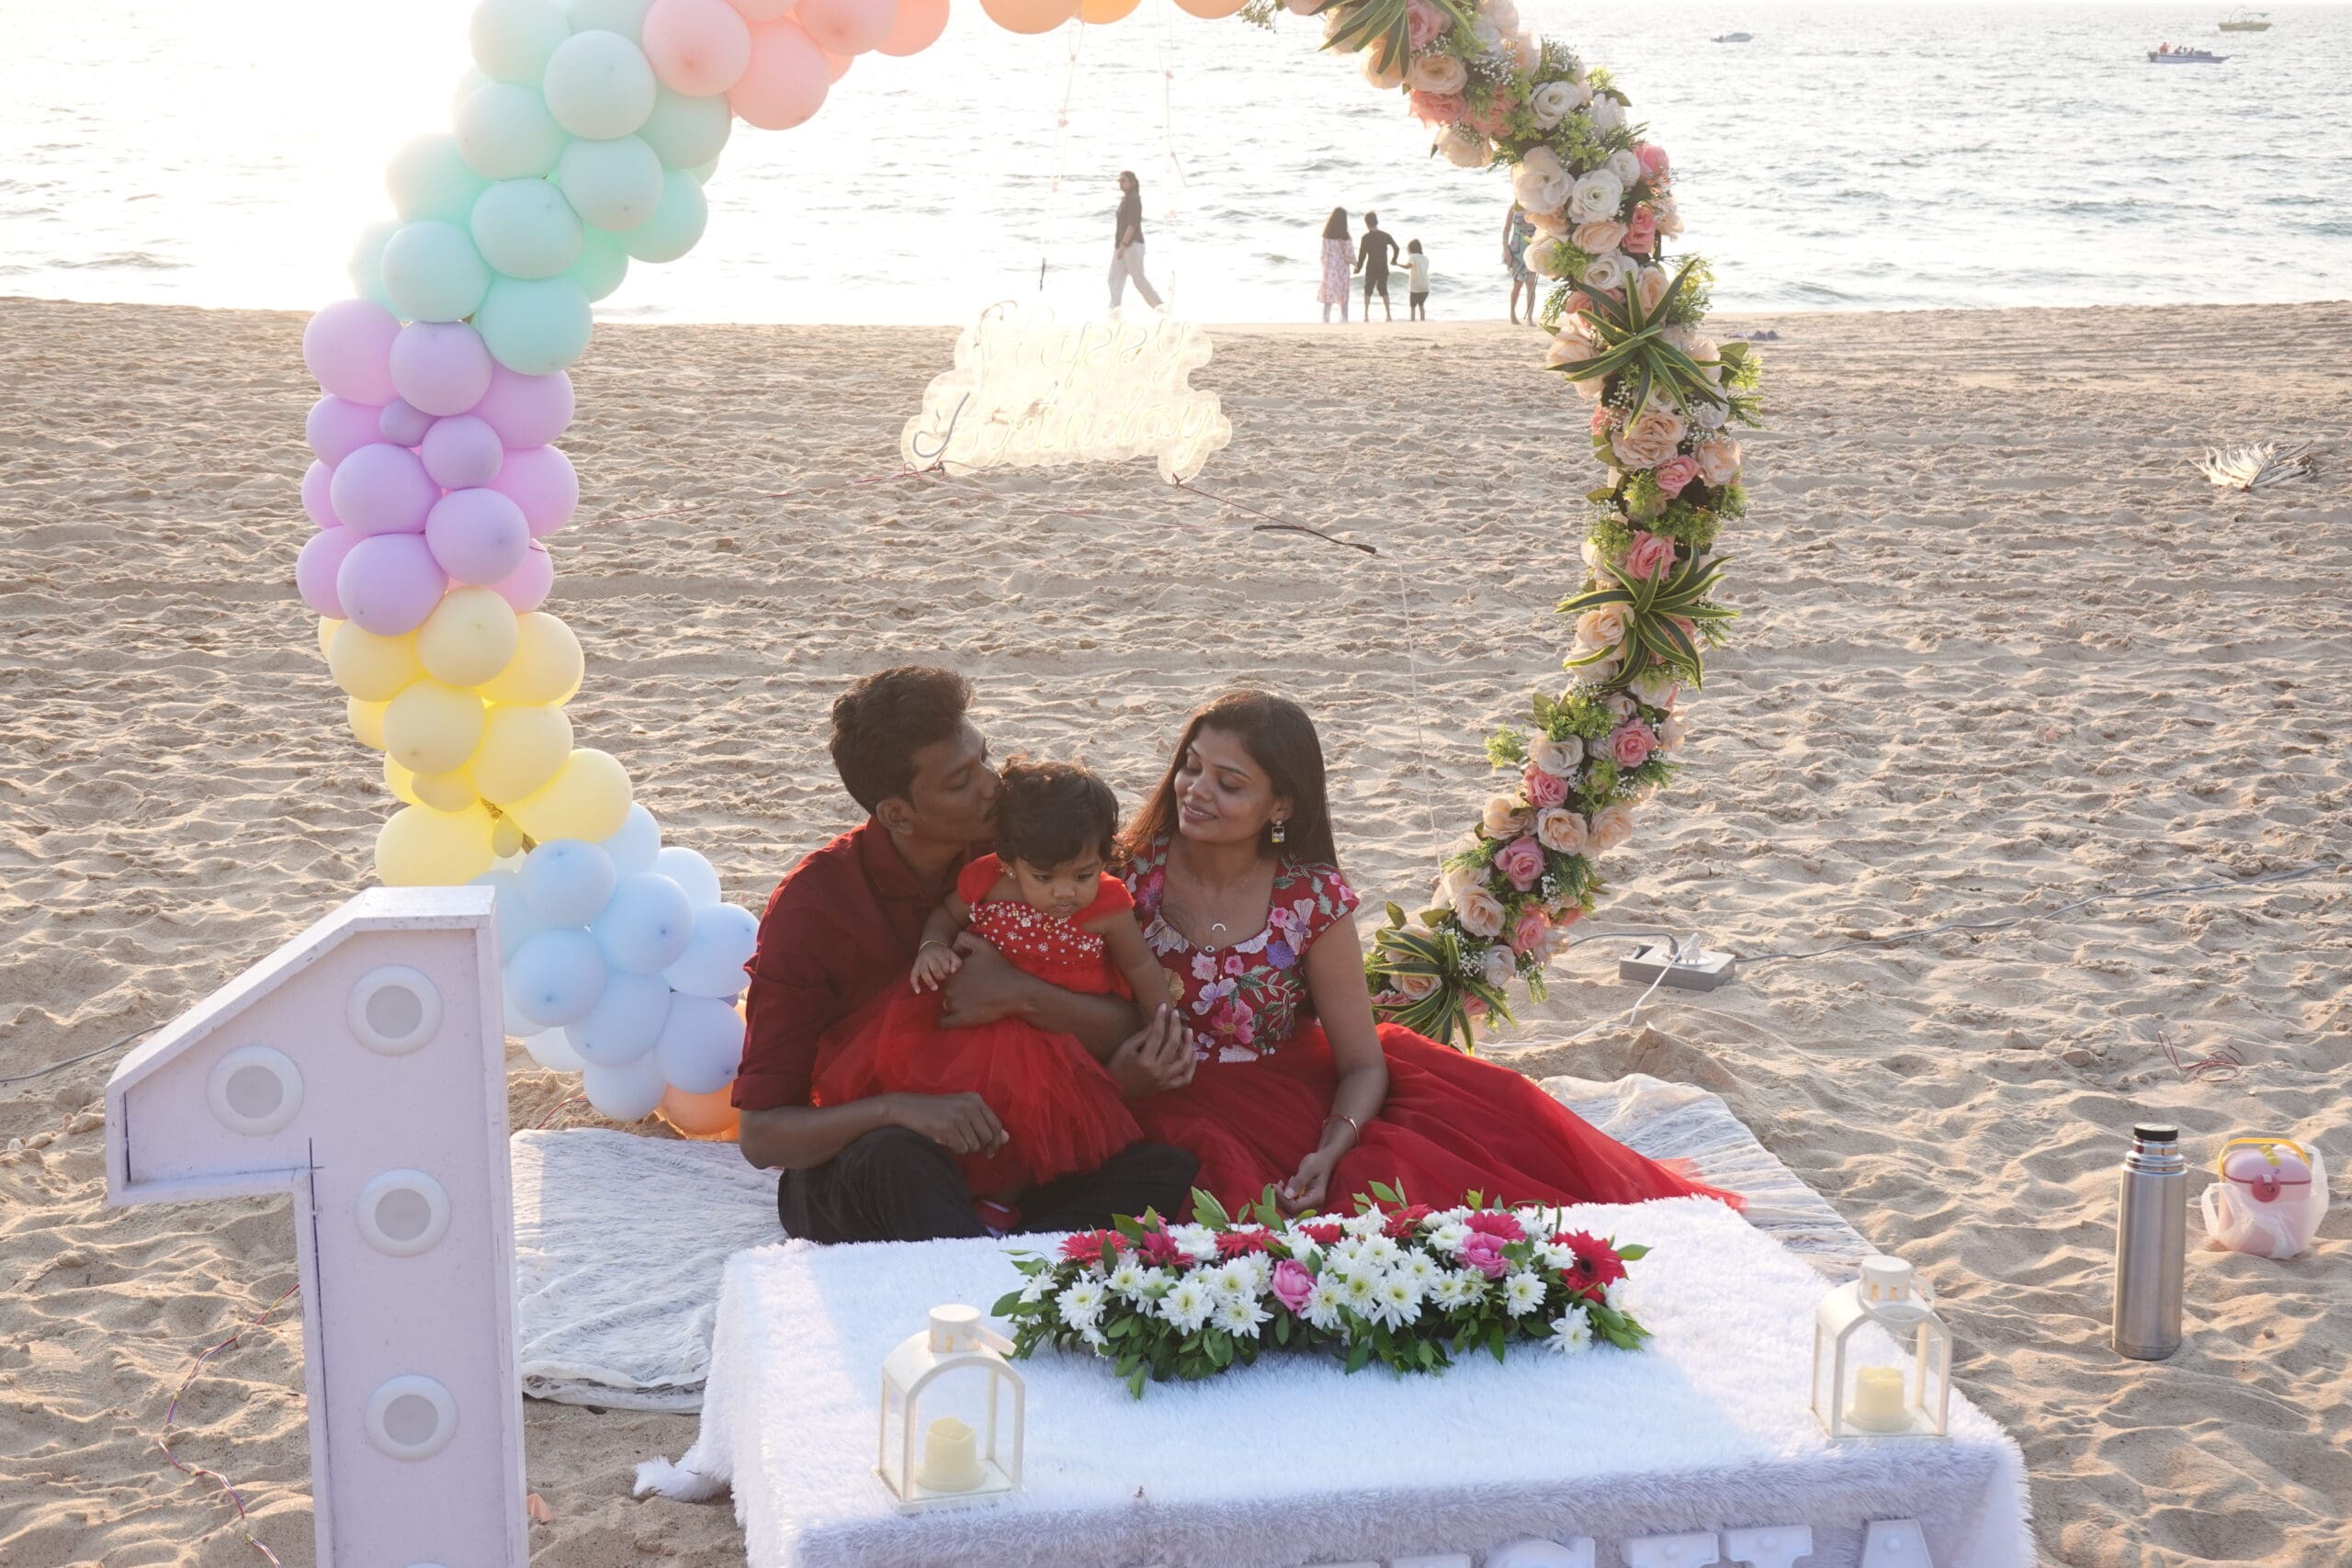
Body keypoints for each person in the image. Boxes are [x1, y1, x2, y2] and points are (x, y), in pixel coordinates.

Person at [1118, 690, 1741, 1216]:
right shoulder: (1129, 872)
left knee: (1447, 1174)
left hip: (1284, 1099)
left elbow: (1362, 1064)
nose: (1195, 791)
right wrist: (1119, 1078)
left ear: (1280, 805)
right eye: (1191, 767)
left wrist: (1332, 1149)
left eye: (1229, 783)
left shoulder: (1309, 898)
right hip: (1141, 1094)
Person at [733, 667, 1198, 1243]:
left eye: (985, 757)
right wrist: (901, 1109)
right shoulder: (813, 907)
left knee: (1164, 1172)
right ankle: (990, 1268)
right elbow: (763, 1137)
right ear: (896, 814)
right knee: (897, 1161)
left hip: (1019, 1147)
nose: (990, 786)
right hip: (879, 1160)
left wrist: (1020, 996)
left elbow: (1124, 1021)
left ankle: (990, 1254)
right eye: (960, 781)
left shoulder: (1026, 850)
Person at [813, 758, 1162, 1202]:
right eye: (1043, 877)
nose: (1064, 892)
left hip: (1062, 1035)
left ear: (1103, 858)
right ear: (1011, 863)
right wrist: (932, 948)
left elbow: (1139, 966)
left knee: (1039, 1121)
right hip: (978, 1028)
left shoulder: (1109, 903)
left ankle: (1009, 1202)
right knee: (971, 1101)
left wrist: (1161, 1021)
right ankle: (969, 1192)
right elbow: (945, 915)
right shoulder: (988, 880)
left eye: (1083, 875)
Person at [1108, 170, 1163, 310]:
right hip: (1121, 246)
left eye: (1124, 181)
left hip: (1132, 245)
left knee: (1139, 280)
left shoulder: (1134, 198)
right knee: (1114, 279)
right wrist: (1120, 246)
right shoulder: (1125, 199)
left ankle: (1160, 307)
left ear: (1132, 183)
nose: (1120, 183)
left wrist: (1123, 245)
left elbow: (1132, 225)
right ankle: (1115, 311)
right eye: (1119, 181)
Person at [1355, 210, 1400, 323]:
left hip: (1371, 267)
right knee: (1383, 289)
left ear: (1366, 224)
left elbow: (1362, 255)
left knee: (1368, 290)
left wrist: (1358, 268)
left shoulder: (1365, 238)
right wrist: (1394, 259)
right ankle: (1388, 315)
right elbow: (1396, 248)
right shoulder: (1385, 235)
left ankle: (1366, 316)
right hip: (1383, 267)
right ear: (1377, 222)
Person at [1503, 203, 1537, 325]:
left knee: (1531, 284)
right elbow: (1506, 230)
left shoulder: (1537, 207)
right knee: (1517, 285)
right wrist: (1505, 249)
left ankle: (1530, 318)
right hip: (1516, 250)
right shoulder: (1514, 207)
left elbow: (1543, 229)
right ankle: (1512, 314)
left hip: (1532, 249)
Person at [1317, 208, 1351, 323]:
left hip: (1329, 268)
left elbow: (1323, 253)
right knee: (1343, 295)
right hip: (1342, 269)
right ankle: (1344, 319)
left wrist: (1324, 265)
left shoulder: (1326, 235)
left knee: (1329, 294)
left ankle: (1325, 318)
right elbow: (1349, 254)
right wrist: (1356, 264)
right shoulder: (1345, 236)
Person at [1405, 238, 1431, 321]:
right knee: (1421, 305)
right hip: (1426, 286)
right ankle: (1422, 321)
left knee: (1413, 306)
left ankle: (1412, 321)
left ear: (1411, 248)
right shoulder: (1425, 258)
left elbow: (1408, 266)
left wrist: (1398, 264)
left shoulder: (1412, 256)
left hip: (1416, 286)